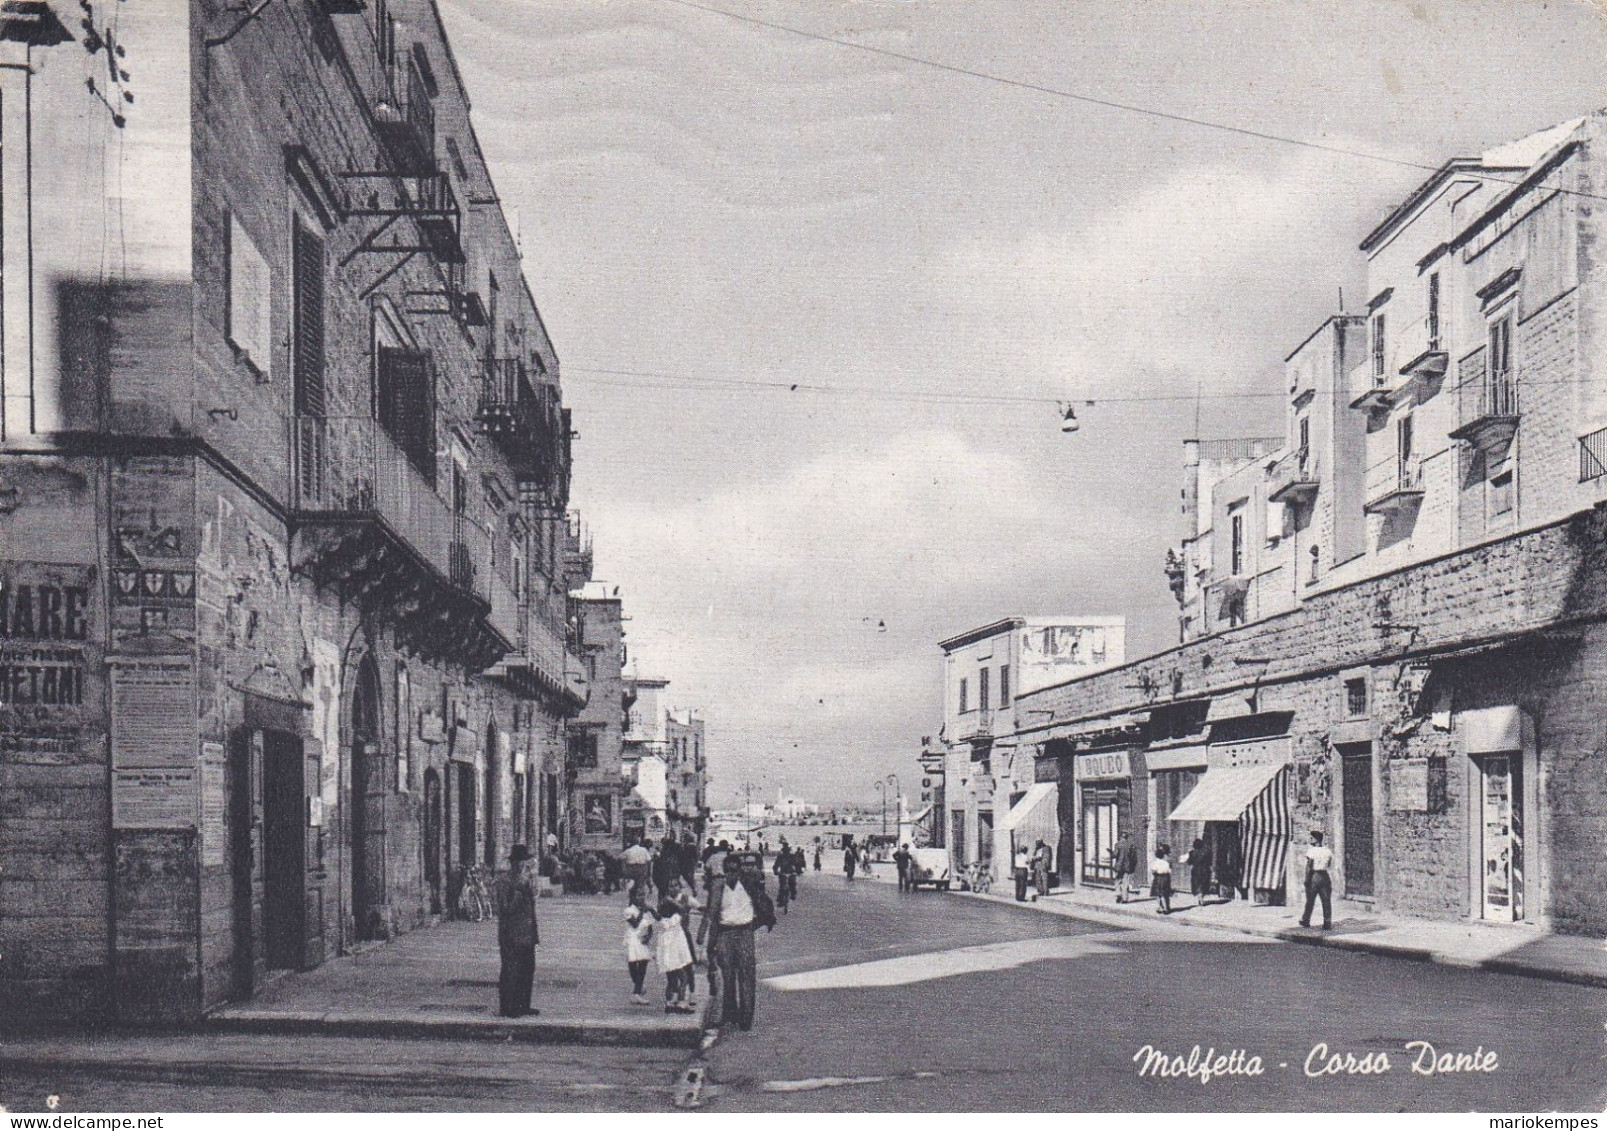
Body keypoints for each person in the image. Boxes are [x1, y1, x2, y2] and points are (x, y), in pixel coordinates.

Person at [697, 854, 773, 1031]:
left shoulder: (747, 886)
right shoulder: (719, 888)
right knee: (727, 977)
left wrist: (752, 926)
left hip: (745, 933)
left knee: (746, 975)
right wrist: (706, 939)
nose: (731, 874)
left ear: (739, 871)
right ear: (724, 871)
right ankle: (729, 1014)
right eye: (728, 870)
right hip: (725, 934)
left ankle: (746, 1018)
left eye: (734, 870)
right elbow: (712, 914)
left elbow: (764, 907)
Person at [494, 844, 540, 1017]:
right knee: (511, 970)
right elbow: (506, 908)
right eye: (524, 863)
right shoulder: (504, 881)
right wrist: (520, 889)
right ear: (516, 863)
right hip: (511, 934)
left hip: (527, 934)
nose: (526, 867)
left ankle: (523, 1005)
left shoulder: (525, 880)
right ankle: (508, 1007)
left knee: (527, 969)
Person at [655, 893, 696, 1013]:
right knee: (684, 978)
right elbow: (682, 909)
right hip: (675, 956)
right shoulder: (676, 919)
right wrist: (673, 901)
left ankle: (669, 1003)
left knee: (671, 980)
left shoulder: (662, 924)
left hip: (666, 956)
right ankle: (681, 1003)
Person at [624, 883, 656, 1006]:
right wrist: (643, 910)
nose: (641, 897)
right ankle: (638, 987)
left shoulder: (647, 910)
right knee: (632, 965)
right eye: (638, 895)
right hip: (632, 939)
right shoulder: (629, 910)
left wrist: (649, 936)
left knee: (643, 965)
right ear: (633, 897)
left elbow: (650, 924)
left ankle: (637, 992)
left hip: (642, 940)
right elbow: (635, 924)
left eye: (643, 895)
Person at [1299, 829, 1334, 929]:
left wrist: (1306, 879)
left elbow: (1309, 866)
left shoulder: (1312, 851)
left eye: (1311, 838)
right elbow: (1329, 864)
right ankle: (1327, 923)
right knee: (1326, 900)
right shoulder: (1327, 851)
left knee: (1310, 900)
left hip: (1315, 876)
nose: (1310, 840)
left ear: (1316, 839)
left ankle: (1306, 920)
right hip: (1325, 876)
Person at [1112, 834, 1140, 904]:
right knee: (1125, 882)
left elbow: (1115, 855)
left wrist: (1111, 853)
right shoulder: (1130, 845)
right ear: (1127, 837)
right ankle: (1125, 899)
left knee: (1118, 881)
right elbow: (1134, 857)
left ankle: (1118, 894)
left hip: (1119, 866)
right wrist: (1132, 866)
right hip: (1127, 867)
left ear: (1121, 837)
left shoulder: (1117, 844)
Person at [1185, 837, 1212, 902]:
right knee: (1204, 884)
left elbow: (1189, 862)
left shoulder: (1192, 853)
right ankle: (1201, 897)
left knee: (1197, 883)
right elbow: (1209, 861)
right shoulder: (1206, 852)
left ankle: (1199, 896)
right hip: (1205, 870)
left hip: (1195, 870)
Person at [1151, 843, 1174, 914]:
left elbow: (1153, 870)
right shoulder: (1167, 859)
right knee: (1165, 893)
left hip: (1158, 877)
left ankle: (1161, 907)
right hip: (1166, 877)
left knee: (1159, 894)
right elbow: (1170, 869)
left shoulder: (1160, 860)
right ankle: (1166, 907)